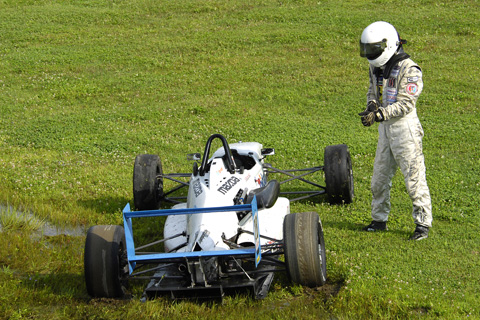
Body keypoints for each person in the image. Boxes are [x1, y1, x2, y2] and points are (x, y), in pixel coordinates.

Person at [358, 21, 432, 240]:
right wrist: (372, 106)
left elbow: (406, 104)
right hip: (385, 131)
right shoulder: (376, 67)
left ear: (388, 45)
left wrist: (380, 115)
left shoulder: (410, 69)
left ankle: (422, 225)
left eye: (374, 49)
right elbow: (373, 91)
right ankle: (379, 220)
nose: (371, 53)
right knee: (378, 179)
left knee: (414, 178)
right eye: (368, 49)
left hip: (405, 130)